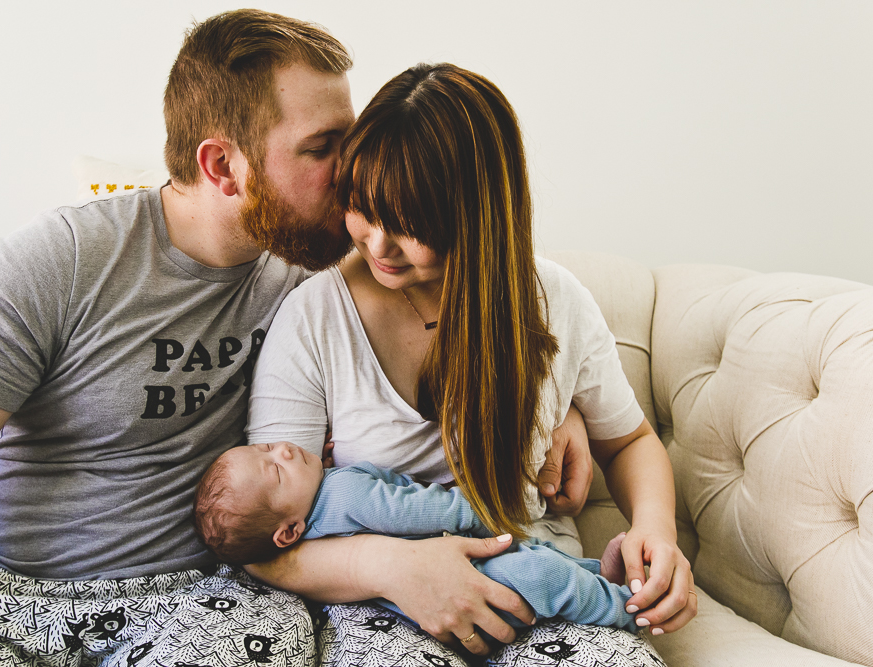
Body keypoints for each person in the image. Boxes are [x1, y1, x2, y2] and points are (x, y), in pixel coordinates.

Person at [0, 9, 589, 665]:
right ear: (223, 166)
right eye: (323, 147)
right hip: (10, 599)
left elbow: (476, 288)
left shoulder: (322, 274)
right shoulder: (58, 264)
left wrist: (566, 410)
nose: (356, 173)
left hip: (197, 607)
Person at [243, 63, 696, 662]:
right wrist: (397, 569)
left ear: (475, 218)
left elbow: (631, 440)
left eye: (409, 228)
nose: (378, 245)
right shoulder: (315, 315)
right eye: (363, 209)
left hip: (538, 579)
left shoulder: (553, 301)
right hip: (376, 601)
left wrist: (656, 531)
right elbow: (267, 534)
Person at [194, 442, 639, 633]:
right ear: (288, 531)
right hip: (467, 572)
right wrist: (478, 510)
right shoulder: (342, 493)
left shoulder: (323, 509)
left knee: (539, 558)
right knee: (539, 570)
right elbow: (414, 510)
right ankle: (623, 608)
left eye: (265, 447)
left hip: (435, 585)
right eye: (275, 470)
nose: (284, 450)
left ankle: (600, 574)